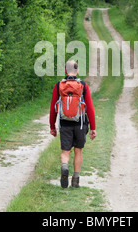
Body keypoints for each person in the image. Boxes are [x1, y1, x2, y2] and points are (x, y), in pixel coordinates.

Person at [49, 60, 96, 188]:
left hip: (65, 123)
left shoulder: (59, 85)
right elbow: (90, 108)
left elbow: (53, 108)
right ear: (77, 71)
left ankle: (64, 167)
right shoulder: (83, 85)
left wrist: (52, 127)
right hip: (80, 123)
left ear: (65, 70)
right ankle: (75, 180)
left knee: (65, 151)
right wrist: (93, 128)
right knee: (78, 151)